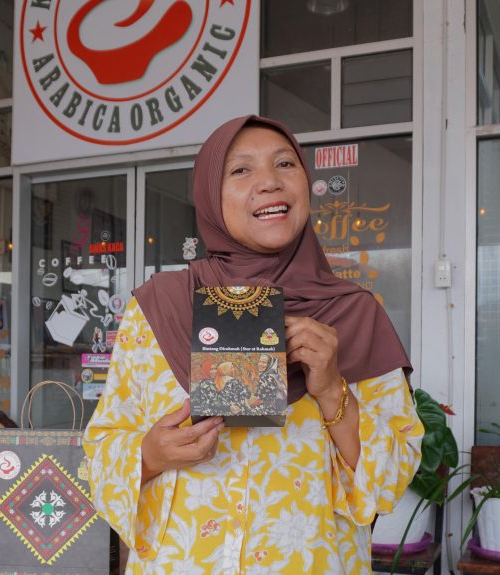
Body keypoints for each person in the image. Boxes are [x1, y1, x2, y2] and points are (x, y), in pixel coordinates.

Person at [83, 115, 424, 574]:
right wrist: (148, 456)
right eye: (241, 170)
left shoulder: (355, 315)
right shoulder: (160, 306)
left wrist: (332, 392)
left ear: (306, 183)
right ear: (210, 196)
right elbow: (102, 445)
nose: (269, 182)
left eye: (285, 164)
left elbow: (393, 479)